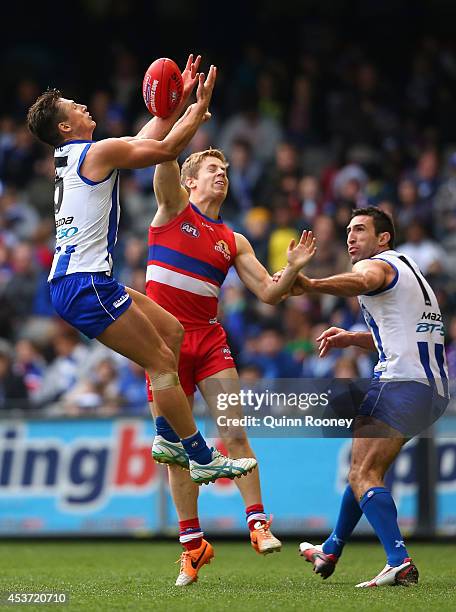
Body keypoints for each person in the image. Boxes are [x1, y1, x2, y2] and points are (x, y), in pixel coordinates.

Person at [26, 55, 257, 486]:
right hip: (84, 283)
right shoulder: (96, 152)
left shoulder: (77, 156)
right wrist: (195, 108)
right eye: (76, 107)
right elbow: (166, 150)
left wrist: (177, 100)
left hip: (82, 281)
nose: (84, 108)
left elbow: (144, 137)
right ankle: (201, 455)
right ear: (64, 126)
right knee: (163, 365)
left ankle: (168, 438)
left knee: (171, 332)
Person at [146, 147, 315, 586]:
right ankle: (193, 545)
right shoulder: (170, 208)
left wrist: (292, 268)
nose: (221, 175)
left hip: (206, 339)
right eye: (212, 170)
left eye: (225, 170)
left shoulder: (234, 239)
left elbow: (269, 292)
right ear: (190, 182)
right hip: (162, 344)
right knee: (176, 451)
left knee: (234, 432)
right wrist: (177, 113)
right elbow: (164, 155)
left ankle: (258, 523)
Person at [283, 206, 448, 588]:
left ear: (383, 238)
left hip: (400, 384)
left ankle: (398, 560)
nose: (351, 237)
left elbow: (363, 280)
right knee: (363, 470)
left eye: (360, 230)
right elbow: (404, 332)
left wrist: (309, 284)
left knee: (363, 472)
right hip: (430, 389)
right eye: (348, 231)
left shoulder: (377, 266)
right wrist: (353, 338)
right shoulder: (409, 269)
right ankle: (331, 549)